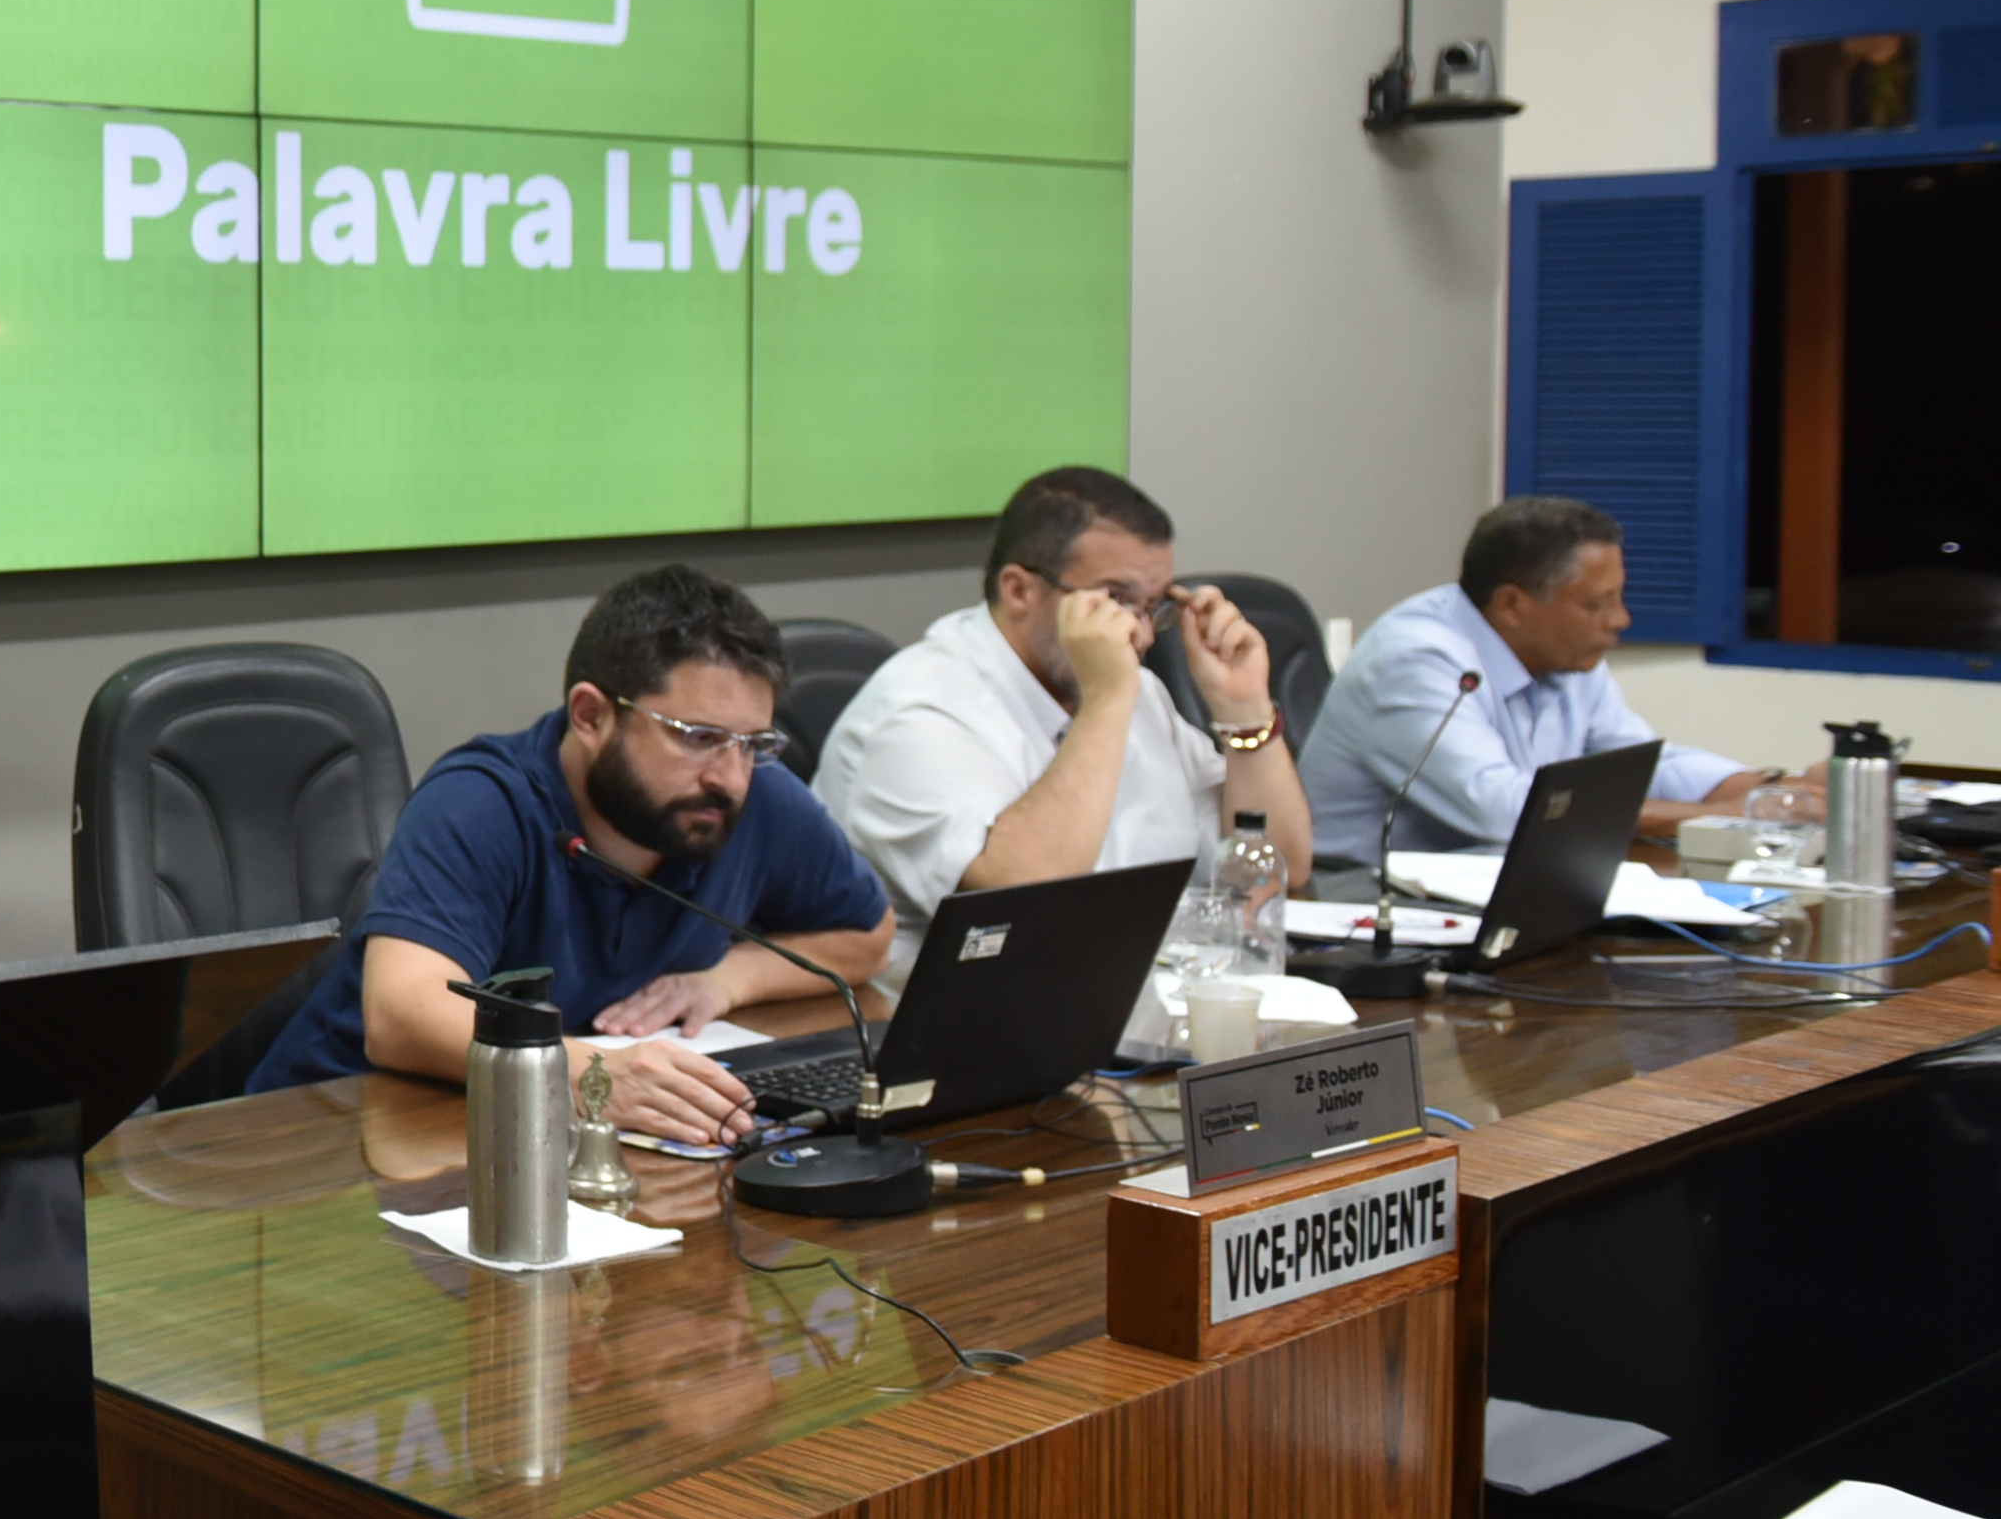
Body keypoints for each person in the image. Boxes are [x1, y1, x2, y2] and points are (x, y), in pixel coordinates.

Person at [244, 565, 892, 1145]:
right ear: (591, 715)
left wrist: (726, 981)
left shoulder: (748, 798)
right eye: (699, 737)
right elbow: (400, 1014)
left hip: (549, 1140)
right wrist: (593, 1075)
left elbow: (865, 936)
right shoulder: (479, 804)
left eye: (754, 743)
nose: (731, 776)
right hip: (338, 1143)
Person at [813, 465, 1312, 983]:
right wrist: (1107, 701)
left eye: (1154, 606)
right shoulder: (917, 713)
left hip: (1133, 1003)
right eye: (1115, 601)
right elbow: (1023, 904)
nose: (1141, 636)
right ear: (1020, 590)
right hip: (972, 1026)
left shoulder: (1131, 691)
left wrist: (1244, 710)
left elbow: (1278, 868)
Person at [1300, 496, 1788, 867]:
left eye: (1619, 598)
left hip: (1495, 881)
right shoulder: (1416, 659)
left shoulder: (1567, 657)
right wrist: (1718, 818)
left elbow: (1633, 762)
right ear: (1513, 605)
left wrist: (1765, 791)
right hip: (1359, 898)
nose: (1621, 619)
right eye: (1597, 604)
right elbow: (1503, 811)